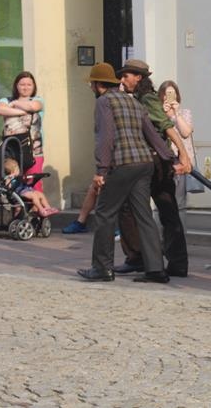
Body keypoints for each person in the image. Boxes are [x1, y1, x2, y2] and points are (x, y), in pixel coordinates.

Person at [77, 63, 180, 283]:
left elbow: (105, 137)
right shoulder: (133, 101)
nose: (91, 88)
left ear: (97, 84)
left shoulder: (104, 102)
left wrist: (101, 169)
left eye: (91, 84)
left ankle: (102, 267)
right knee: (144, 215)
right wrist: (171, 158)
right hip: (144, 163)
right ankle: (155, 269)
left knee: (104, 213)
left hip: (122, 164)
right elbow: (151, 133)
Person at [114, 59, 192, 278]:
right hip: (158, 161)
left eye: (126, 76)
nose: (122, 80)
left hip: (155, 162)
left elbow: (166, 127)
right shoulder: (141, 98)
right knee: (167, 211)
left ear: (138, 77)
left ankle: (138, 257)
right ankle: (176, 263)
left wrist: (183, 154)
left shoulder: (147, 99)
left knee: (130, 208)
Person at [0, 71, 46, 192]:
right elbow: (0, 109)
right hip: (12, 151)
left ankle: (36, 203)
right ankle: (19, 204)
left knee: (34, 184)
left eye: (29, 84)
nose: (25, 87)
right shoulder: (5, 100)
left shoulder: (37, 100)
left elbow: (33, 107)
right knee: (14, 185)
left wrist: (15, 104)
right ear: (16, 86)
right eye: (22, 84)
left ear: (34, 86)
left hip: (33, 151)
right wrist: (22, 112)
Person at [159, 80, 195, 230]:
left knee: (180, 202)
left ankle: (180, 235)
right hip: (163, 162)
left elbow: (186, 132)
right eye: (166, 93)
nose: (169, 97)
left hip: (181, 162)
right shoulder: (157, 113)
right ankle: (166, 234)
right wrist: (163, 114)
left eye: (172, 93)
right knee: (164, 201)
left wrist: (176, 114)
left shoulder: (185, 113)